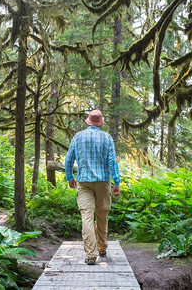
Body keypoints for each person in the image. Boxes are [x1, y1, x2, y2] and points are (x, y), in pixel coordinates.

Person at [65, 109, 121, 265]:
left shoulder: (78, 137)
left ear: (88, 121)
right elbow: (112, 162)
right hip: (103, 183)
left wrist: (70, 177)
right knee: (102, 216)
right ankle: (101, 247)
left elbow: (69, 159)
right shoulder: (107, 138)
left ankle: (90, 255)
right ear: (101, 122)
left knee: (87, 217)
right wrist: (116, 182)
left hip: (84, 183)